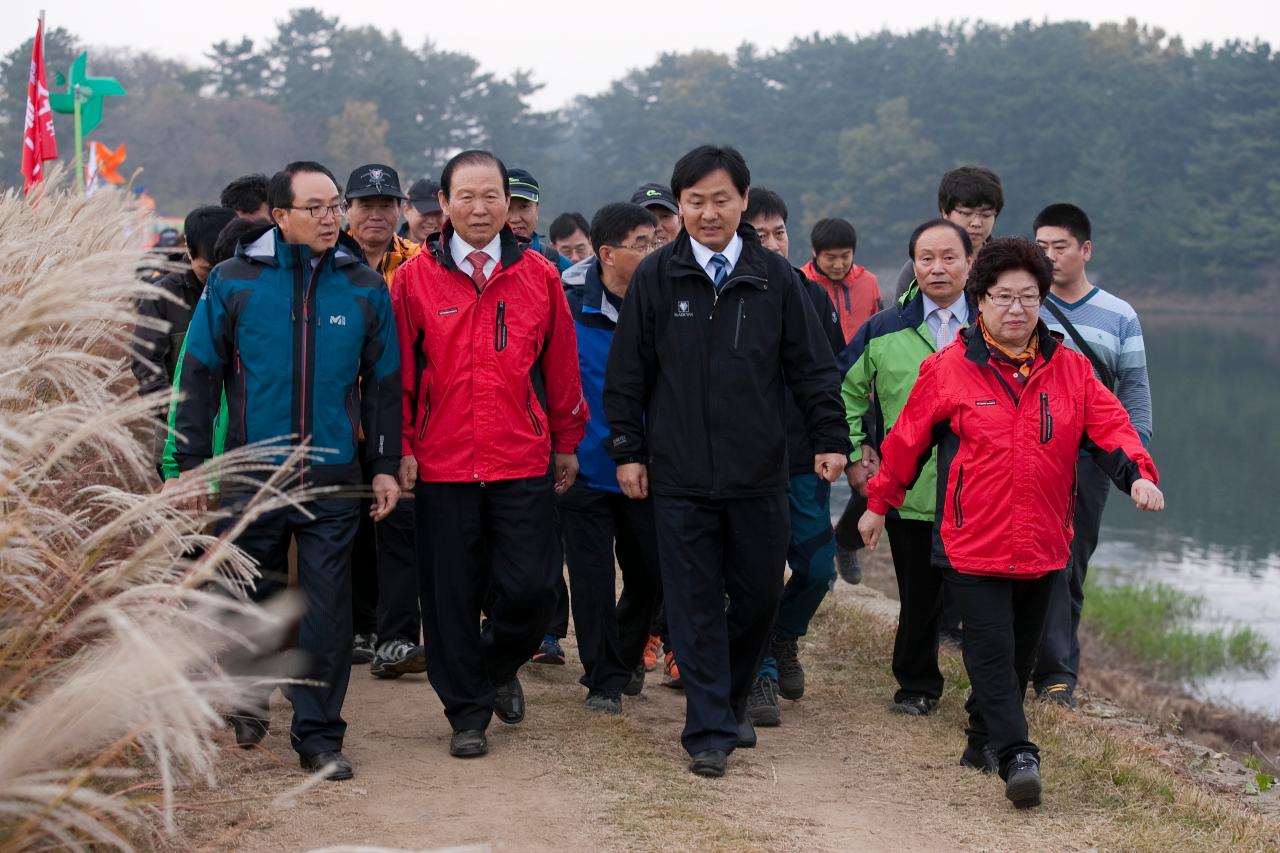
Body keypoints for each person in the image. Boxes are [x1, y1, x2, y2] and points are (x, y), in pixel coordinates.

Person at [859, 236, 1162, 809]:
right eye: (1004, 297)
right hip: (973, 540)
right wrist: (879, 502)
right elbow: (904, 443)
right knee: (992, 652)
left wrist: (1138, 475)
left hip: (1046, 541)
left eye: (1029, 297)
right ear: (981, 303)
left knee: (1019, 657)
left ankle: (980, 741)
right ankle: (1018, 754)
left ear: (1043, 301)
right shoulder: (948, 370)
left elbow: (1112, 429)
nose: (1017, 309)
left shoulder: (1070, 370)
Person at [605, 145, 848, 778]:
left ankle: (733, 696)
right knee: (691, 602)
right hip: (679, 475)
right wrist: (628, 449)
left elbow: (814, 370)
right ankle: (709, 726)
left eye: (720, 200)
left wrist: (830, 437)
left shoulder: (777, 280)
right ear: (678, 208)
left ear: (743, 201)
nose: (708, 213)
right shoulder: (658, 276)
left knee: (758, 595)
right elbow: (628, 373)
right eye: (695, 202)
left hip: (760, 473)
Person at [175, 160, 403, 781]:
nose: (332, 218)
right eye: (317, 208)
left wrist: (383, 464)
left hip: (333, 475)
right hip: (253, 475)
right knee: (254, 599)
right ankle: (248, 697)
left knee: (327, 611)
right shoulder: (234, 281)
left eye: (335, 206)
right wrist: (189, 464)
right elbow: (197, 376)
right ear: (280, 217)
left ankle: (320, 735)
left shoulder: (361, 284)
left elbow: (384, 384)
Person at [393, 150, 587, 760]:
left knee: (532, 590)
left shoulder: (539, 276)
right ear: (442, 205)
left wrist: (566, 441)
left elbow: (560, 369)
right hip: (442, 463)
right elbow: (396, 373)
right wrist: (400, 448)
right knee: (450, 594)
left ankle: (494, 664)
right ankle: (467, 713)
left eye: (492, 196)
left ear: (510, 203)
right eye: (467, 197)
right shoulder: (413, 281)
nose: (481, 208)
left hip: (520, 457)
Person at [841, 219, 975, 717]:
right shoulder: (885, 328)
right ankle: (917, 686)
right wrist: (856, 453)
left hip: (980, 491)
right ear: (913, 266)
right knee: (918, 594)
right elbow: (844, 392)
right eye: (926, 259)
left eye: (948, 258)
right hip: (910, 489)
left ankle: (990, 694)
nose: (937, 268)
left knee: (981, 600)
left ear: (969, 263)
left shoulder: (992, 326)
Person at [1031, 203, 1153, 708]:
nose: (1050, 257)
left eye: (1060, 247)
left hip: (1095, 456)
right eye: (1041, 248)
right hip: (1036, 448)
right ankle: (1046, 667)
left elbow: (1135, 391)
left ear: (1085, 250)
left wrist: (1137, 464)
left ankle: (1058, 671)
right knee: (1034, 554)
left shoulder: (1119, 314)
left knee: (1072, 560)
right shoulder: (1025, 303)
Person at [739, 188, 846, 729]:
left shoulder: (811, 295)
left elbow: (828, 375)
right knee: (753, 572)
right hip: (744, 461)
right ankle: (756, 670)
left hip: (803, 457)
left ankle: (784, 637)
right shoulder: (730, 293)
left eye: (780, 231)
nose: (773, 242)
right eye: (760, 234)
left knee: (817, 567)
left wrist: (837, 439)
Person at [557, 202, 662, 712]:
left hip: (647, 468)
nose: (652, 252)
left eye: (656, 242)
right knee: (592, 579)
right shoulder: (567, 302)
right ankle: (603, 679)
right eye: (642, 244)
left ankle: (621, 656)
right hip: (583, 466)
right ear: (607, 254)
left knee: (652, 572)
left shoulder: (665, 298)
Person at [340, 164, 426, 680]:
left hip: (398, 411)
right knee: (348, 526)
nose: (376, 214)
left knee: (400, 524)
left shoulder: (417, 265)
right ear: (347, 209)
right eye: (365, 205)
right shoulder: (327, 262)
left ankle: (397, 638)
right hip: (339, 414)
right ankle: (359, 627)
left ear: (401, 210)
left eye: (386, 205)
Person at [801, 217, 883, 586]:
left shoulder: (868, 283)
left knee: (870, 480)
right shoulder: (799, 284)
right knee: (819, 477)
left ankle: (844, 541)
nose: (838, 264)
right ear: (814, 254)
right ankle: (818, 558)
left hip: (863, 390)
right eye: (830, 257)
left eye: (845, 256)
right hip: (818, 389)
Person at [132, 205, 236, 473]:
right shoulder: (162, 297)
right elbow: (145, 363)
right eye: (208, 268)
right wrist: (177, 415)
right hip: (178, 436)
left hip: (235, 434)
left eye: (222, 267)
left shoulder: (242, 289)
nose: (215, 277)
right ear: (189, 250)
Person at [894, 166, 1003, 299]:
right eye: (966, 213)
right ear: (945, 212)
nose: (976, 223)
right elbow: (900, 316)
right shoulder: (919, 269)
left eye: (986, 215)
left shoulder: (1005, 263)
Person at [505, 167, 562, 266]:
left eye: (523, 207)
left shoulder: (557, 263)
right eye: (507, 208)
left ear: (537, 209)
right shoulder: (478, 264)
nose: (515, 219)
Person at [630, 183, 681, 247]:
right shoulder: (618, 256)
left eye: (665, 216)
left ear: (680, 219)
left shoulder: (695, 255)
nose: (657, 227)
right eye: (647, 219)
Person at [401, 178, 444, 243]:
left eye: (438, 213)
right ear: (406, 211)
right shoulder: (387, 248)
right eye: (425, 212)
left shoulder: (454, 250)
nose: (431, 221)